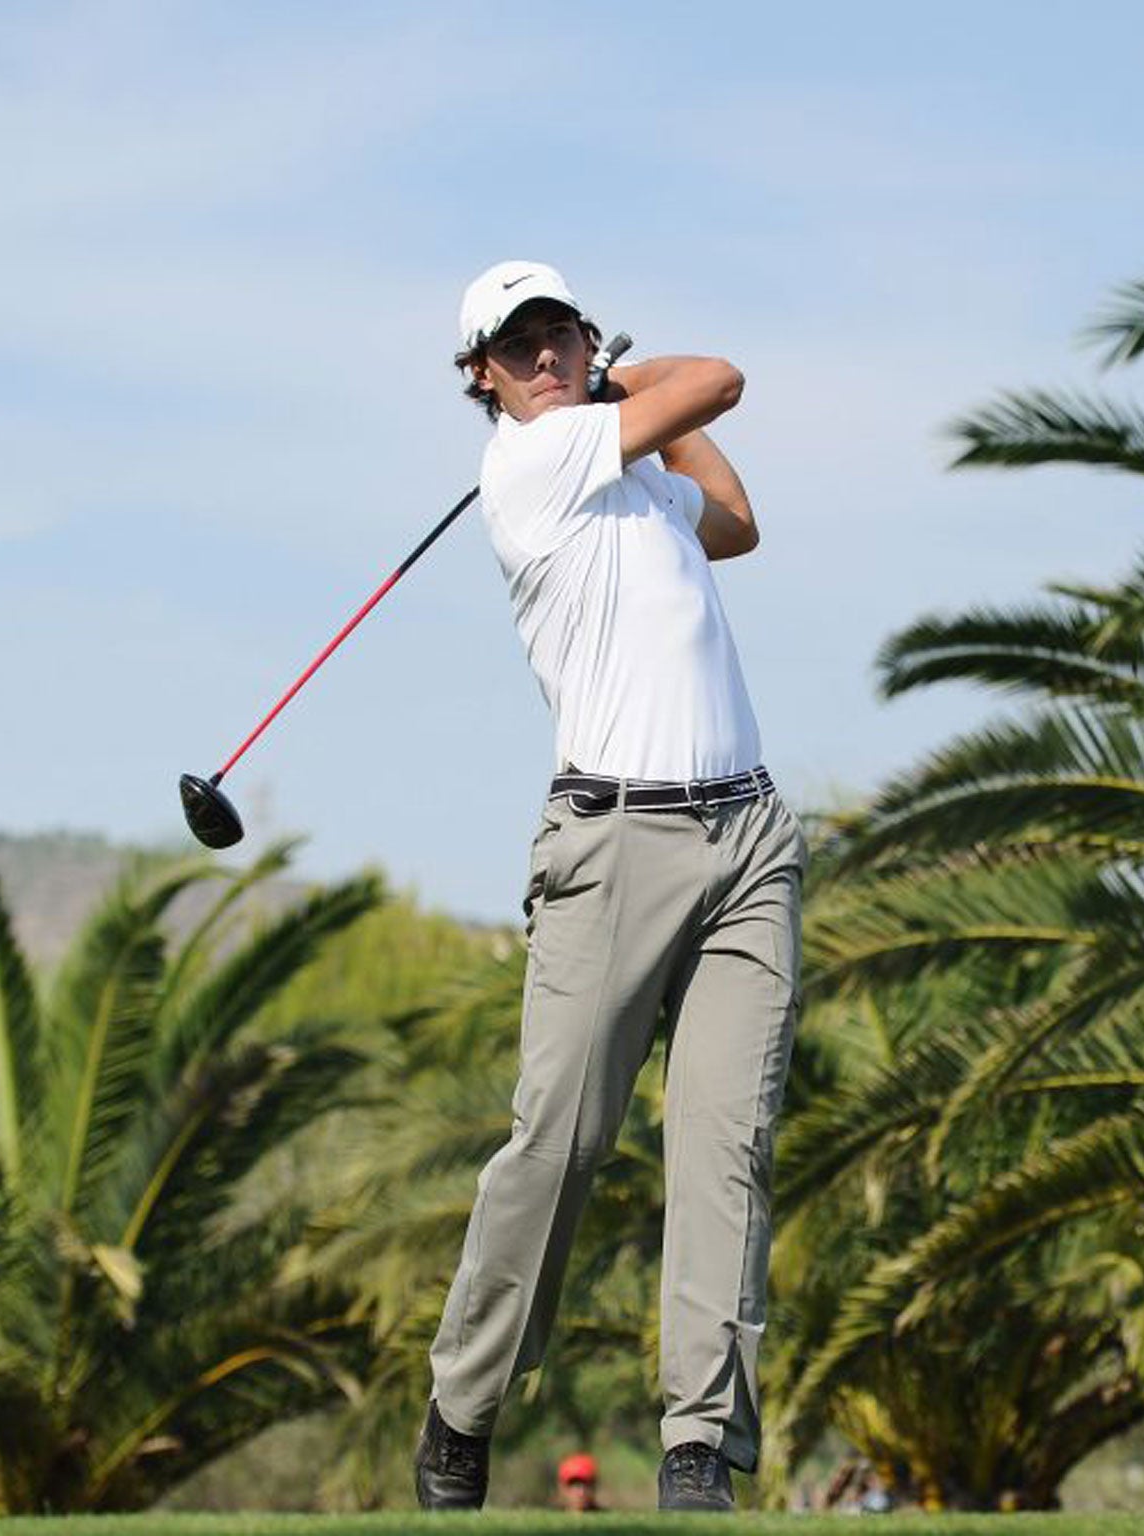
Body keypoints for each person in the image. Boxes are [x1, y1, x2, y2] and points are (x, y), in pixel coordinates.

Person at [411, 260, 805, 1514]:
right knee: (562, 1142)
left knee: (723, 1147)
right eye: (514, 346)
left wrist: (640, 412)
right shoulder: (530, 468)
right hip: (609, 845)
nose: (541, 356)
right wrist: (625, 381)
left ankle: (698, 1445)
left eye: (558, 334)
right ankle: (463, 1404)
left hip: (746, 838)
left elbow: (734, 521)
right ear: (481, 376)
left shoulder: (631, 477)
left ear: (582, 336)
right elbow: (721, 377)